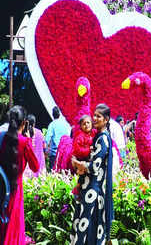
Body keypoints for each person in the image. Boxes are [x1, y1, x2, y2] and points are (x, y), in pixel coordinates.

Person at [0, 105, 39, 245]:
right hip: (15, 192)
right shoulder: (24, 142)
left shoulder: (0, 137)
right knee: (13, 229)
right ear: (24, 123)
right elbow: (36, 167)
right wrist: (30, 141)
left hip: (0, 189)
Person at [70, 103, 114, 245]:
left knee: (87, 231)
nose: (94, 118)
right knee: (88, 229)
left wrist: (76, 163)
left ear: (106, 119)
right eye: (94, 115)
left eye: (98, 116)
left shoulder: (103, 139)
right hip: (89, 189)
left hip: (93, 192)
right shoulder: (98, 136)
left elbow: (94, 166)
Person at [71, 114, 96, 200]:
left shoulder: (94, 133)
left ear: (92, 124)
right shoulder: (80, 137)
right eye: (84, 124)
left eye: (88, 123)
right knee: (82, 178)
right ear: (81, 126)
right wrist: (89, 149)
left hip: (91, 161)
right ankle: (77, 191)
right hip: (82, 160)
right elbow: (78, 151)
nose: (86, 125)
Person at [45, 106, 71, 170]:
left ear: (53, 115)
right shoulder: (66, 124)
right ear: (60, 114)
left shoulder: (52, 124)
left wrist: (45, 150)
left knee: (53, 172)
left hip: (54, 153)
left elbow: (47, 139)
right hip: (65, 152)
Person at [23, 114, 47, 178]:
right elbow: (44, 147)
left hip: (28, 165)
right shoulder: (40, 133)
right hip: (39, 163)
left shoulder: (24, 134)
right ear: (34, 123)